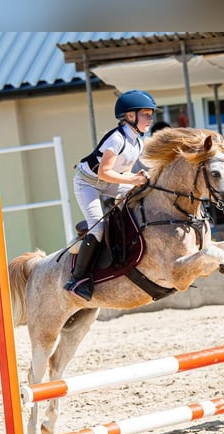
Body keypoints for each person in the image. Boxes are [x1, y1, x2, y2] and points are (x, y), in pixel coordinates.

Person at [65, 89, 156, 300]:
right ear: (130, 116)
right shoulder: (117, 139)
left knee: (141, 195)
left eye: (151, 113)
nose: (150, 118)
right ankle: (78, 279)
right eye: (146, 114)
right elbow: (104, 172)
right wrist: (132, 179)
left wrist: (138, 178)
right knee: (98, 228)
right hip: (88, 183)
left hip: (109, 183)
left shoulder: (138, 141)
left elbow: (122, 172)